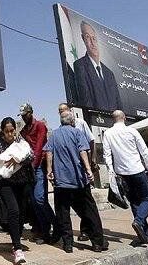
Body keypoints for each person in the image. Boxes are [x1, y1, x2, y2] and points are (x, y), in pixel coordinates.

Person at [44, 111, 108, 253]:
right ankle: (97, 243)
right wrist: (88, 170)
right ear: (72, 121)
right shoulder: (77, 133)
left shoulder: (54, 135)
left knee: (63, 213)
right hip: (79, 181)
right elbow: (83, 152)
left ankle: (68, 244)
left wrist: (49, 170)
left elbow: (48, 152)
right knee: (90, 211)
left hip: (61, 182)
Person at [103, 110, 148, 244]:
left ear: (112, 119)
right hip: (137, 170)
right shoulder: (132, 131)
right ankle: (138, 221)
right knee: (147, 200)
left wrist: (111, 173)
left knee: (135, 202)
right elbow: (144, 152)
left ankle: (145, 236)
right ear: (124, 118)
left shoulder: (108, 134)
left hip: (122, 174)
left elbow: (107, 155)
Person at [0, 117, 32, 264]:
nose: (10, 134)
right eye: (6, 131)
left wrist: (19, 160)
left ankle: (15, 239)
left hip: (22, 182)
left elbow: (32, 156)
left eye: (12, 130)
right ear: (2, 131)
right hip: (5, 183)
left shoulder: (20, 141)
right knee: (13, 210)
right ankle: (17, 249)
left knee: (21, 213)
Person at [18, 103, 58, 244]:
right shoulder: (23, 131)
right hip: (30, 168)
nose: (24, 117)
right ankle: (45, 231)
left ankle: (56, 225)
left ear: (31, 113)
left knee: (40, 199)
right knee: (34, 202)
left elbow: (40, 147)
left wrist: (33, 167)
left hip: (39, 166)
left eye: (25, 114)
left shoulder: (40, 126)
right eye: (22, 115)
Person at [57, 102, 96, 242]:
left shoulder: (81, 124)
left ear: (70, 110)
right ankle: (87, 230)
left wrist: (91, 162)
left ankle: (86, 231)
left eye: (64, 109)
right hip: (70, 172)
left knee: (86, 201)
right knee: (77, 202)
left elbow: (90, 142)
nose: (62, 112)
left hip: (83, 168)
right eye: (59, 110)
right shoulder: (61, 129)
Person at [73, 21, 122, 111]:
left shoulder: (109, 73)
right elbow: (85, 99)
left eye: (94, 38)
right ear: (83, 38)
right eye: (88, 37)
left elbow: (118, 103)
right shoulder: (80, 65)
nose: (92, 42)